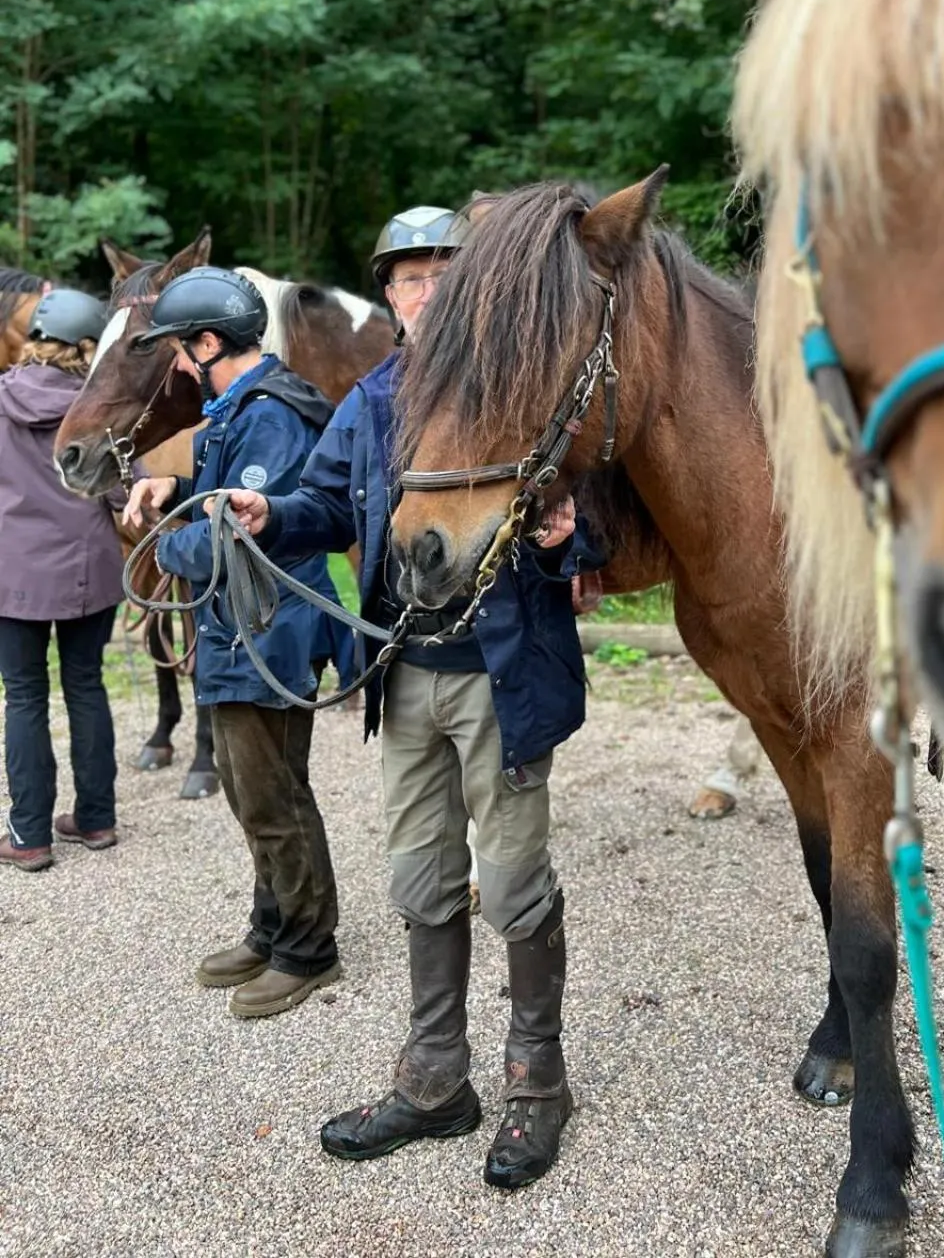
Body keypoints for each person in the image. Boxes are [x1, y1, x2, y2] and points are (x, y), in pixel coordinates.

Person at [221, 205, 603, 1189]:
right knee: (421, 878)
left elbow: (595, 511)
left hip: (503, 680)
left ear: (476, 290)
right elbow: (324, 501)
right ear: (388, 295)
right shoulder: (374, 397)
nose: (425, 293)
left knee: (512, 883)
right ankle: (436, 1082)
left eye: (443, 275)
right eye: (409, 278)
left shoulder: (523, 386)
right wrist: (270, 513)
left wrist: (572, 535)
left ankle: (537, 1084)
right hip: (407, 675)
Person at [122, 267, 345, 1018]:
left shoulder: (269, 414)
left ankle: (308, 949)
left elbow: (239, 534)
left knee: (273, 794)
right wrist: (176, 492)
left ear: (210, 343)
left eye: (181, 349)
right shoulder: (239, 409)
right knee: (252, 792)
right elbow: (227, 500)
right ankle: (272, 927)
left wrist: (167, 541)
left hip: (267, 632)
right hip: (241, 630)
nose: (180, 364)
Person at [0, 289, 125, 871]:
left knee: (24, 696)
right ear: (87, 345)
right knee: (86, 685)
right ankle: (96, 819)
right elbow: (124, 492)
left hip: (13, 576)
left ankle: (29, 836)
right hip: (87, 571)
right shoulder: (100, 408)